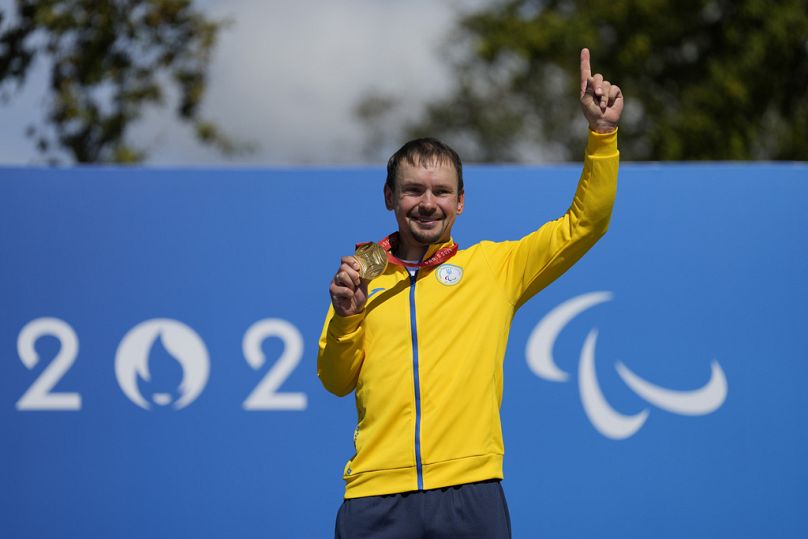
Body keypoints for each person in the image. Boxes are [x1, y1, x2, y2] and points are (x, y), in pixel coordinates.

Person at [318, 48, 623, 539]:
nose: (427, 203)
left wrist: (602, 136)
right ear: (390, 198)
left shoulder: (494, 268)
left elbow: (585, 224)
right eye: (413, 190)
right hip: (374, 494)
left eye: (441, 191)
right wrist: (346, 318)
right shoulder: (361, 277)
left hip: (470, 491)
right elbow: (334, 380)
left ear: (460, 202)